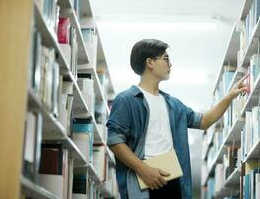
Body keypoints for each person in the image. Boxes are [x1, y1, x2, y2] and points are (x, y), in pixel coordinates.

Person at [106, 39, 248, 199]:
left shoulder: (173, 104)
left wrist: (230, 96)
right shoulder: (126, 100)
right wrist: (143, 169)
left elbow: (204, 121)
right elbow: (115, 141)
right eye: (166, 59)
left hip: (173, 180)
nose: (170, 64)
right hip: (144, 179)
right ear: (150, 62)